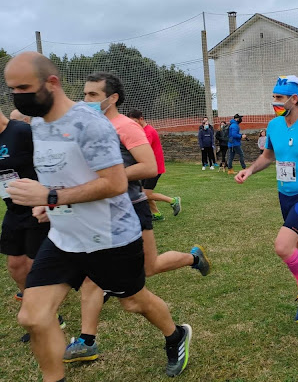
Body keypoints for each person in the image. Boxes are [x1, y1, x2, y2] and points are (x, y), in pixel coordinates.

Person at [5, 52, 192, 382]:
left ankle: (175, 336)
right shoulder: (39, 124)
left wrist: (51, 196)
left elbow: (115, 182)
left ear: (52, 83)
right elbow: (59, 170)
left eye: (23, 88)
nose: (17, 97)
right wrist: (47, 199)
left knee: (135, 302)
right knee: (33, 315)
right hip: (63, 237)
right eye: (12, 89)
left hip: (109, 238)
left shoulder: (89, 124)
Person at [61, 72, 210, 365]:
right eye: (85, 94)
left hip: (130, 207)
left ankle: (193, 257)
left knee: (149, 268)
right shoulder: (86, 126)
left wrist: (109, 177)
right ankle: (87, 341)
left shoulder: (126, 127)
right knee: (92, 278)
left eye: (93, 95)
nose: (85, 100)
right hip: (95, 212)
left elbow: (148, 166)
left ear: (112, 98)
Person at [235, 76, 298, 323]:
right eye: (273, 97)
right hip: (285, 195)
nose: (275, 102)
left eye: (279, 98)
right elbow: (268, 155)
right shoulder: (274, 126)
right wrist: (249, 170)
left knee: (283, 246)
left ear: (295, 99)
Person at [0, 107, 60, 341]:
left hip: (37, 207)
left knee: (37, 266)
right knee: (15, 265)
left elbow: (51, 162)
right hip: (13, 208)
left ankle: (47, 316)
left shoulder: (22, 131)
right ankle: (36, 307)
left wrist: (48, 198)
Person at [127, 109, 181, 221]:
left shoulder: (148, 132)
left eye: (135, 122)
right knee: (142, 192)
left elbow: (141, 150)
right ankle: (156, 214)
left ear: (141, 119)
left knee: (145, 194)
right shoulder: (142, 130)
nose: (133, 125)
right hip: (146, 168)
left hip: (154, 169)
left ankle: (173, 200)